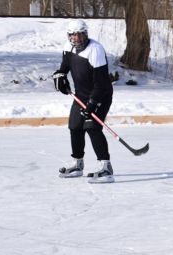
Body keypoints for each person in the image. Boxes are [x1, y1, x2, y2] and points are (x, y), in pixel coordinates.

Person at [53, 19, 115, 183]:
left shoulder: (95, 50)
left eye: (80, 35)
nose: (77, 39)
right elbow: (65, 66)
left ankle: (106, 168)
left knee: (92, 127)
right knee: (75, 126)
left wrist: (93, 103)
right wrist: (60, 75)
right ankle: (77, 164)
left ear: (85, 35)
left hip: (100, 94)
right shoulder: (68, 48)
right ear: (69, 37)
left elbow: (101, 83)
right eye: (73, 36)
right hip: (81, 94)